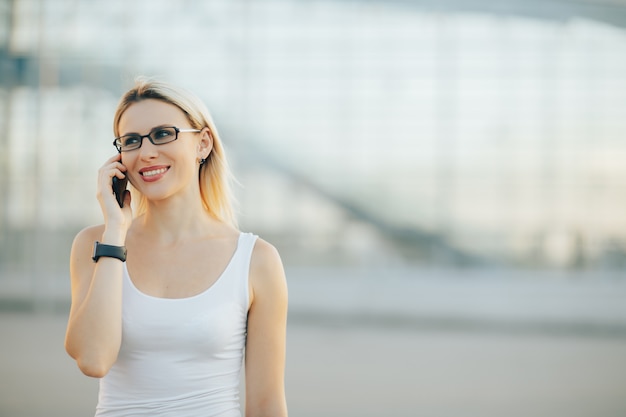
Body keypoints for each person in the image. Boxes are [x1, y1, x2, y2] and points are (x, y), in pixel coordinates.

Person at [64, 77, 288, 417]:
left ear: (203, 144)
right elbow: (93, 359)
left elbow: (266, 405)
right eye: (132, 141)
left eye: (163, 134)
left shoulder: (256, 261)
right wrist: (114, 231)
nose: (147, 152)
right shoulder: (94, 244)